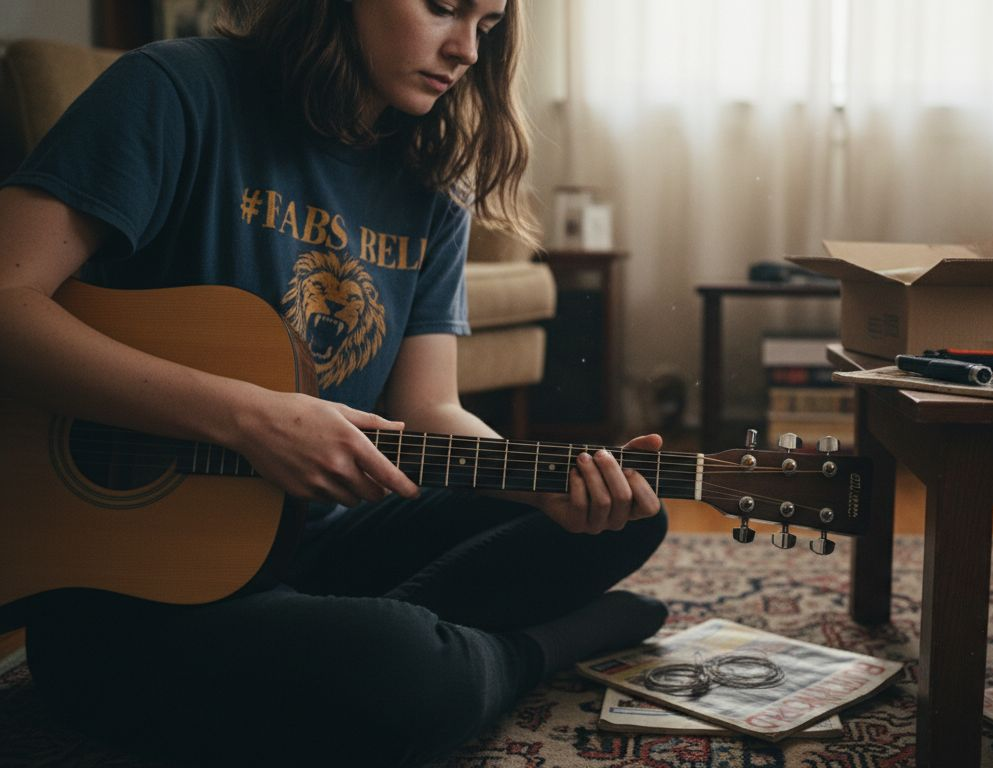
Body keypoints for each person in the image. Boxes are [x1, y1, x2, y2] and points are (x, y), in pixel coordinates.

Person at [0, 0, 669, 765]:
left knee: (632, 514)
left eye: (486, 25)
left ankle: (362, 639)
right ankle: (528, 651)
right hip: (128, 589)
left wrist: (542, 487)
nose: (466, 51)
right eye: (444, 8)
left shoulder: (431, 176)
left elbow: (430, 408)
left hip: (314, 537)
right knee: (410, 673)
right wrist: (250, 419)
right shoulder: (172, 90)